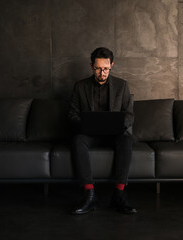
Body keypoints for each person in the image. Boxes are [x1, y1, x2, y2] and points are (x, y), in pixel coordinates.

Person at [68, 47, 137, 215]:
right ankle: (89, 194)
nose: (102, 72)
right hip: (90, 134)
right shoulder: (80, 86)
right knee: (78, 140)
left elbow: (129, 114)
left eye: (106, 68)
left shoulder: (122, 86)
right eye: (98, 68)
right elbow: (72, 113)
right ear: (92, 66)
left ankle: (119, 194)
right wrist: (83, 123)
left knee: (127, 140)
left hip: (114, 133)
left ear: (111, 65)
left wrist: (120, 125)